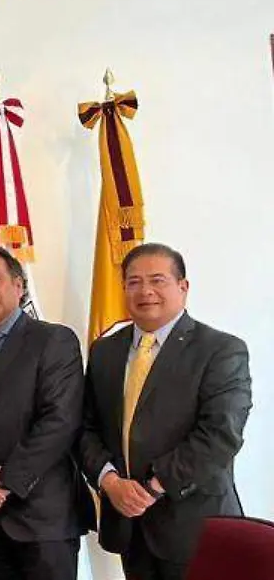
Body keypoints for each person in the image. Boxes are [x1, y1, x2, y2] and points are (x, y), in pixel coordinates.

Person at [80, 243, 252, 579]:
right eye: (134, 282)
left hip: (194, 524)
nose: (145, 291)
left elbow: (221, 435)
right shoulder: (105, 351)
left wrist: (152, 487)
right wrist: (109, 481)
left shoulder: (221, 350)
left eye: (157, 280)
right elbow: (86, 427)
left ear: (183, 287)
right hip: (128, 525)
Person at [0, 245, 92, 580]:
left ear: (19, 285)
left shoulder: (54, 340)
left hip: (42, 516)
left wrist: (3, 482)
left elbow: (60, 420)